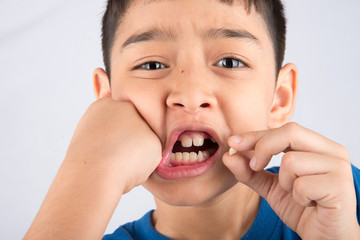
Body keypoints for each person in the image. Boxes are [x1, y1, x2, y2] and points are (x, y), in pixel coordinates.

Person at [24, 0, 360, 239]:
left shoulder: (340, 201)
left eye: (230, 62)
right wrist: (92, 169)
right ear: (106, 101)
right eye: (152, 65)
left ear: (279, 98)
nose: (188, 93)